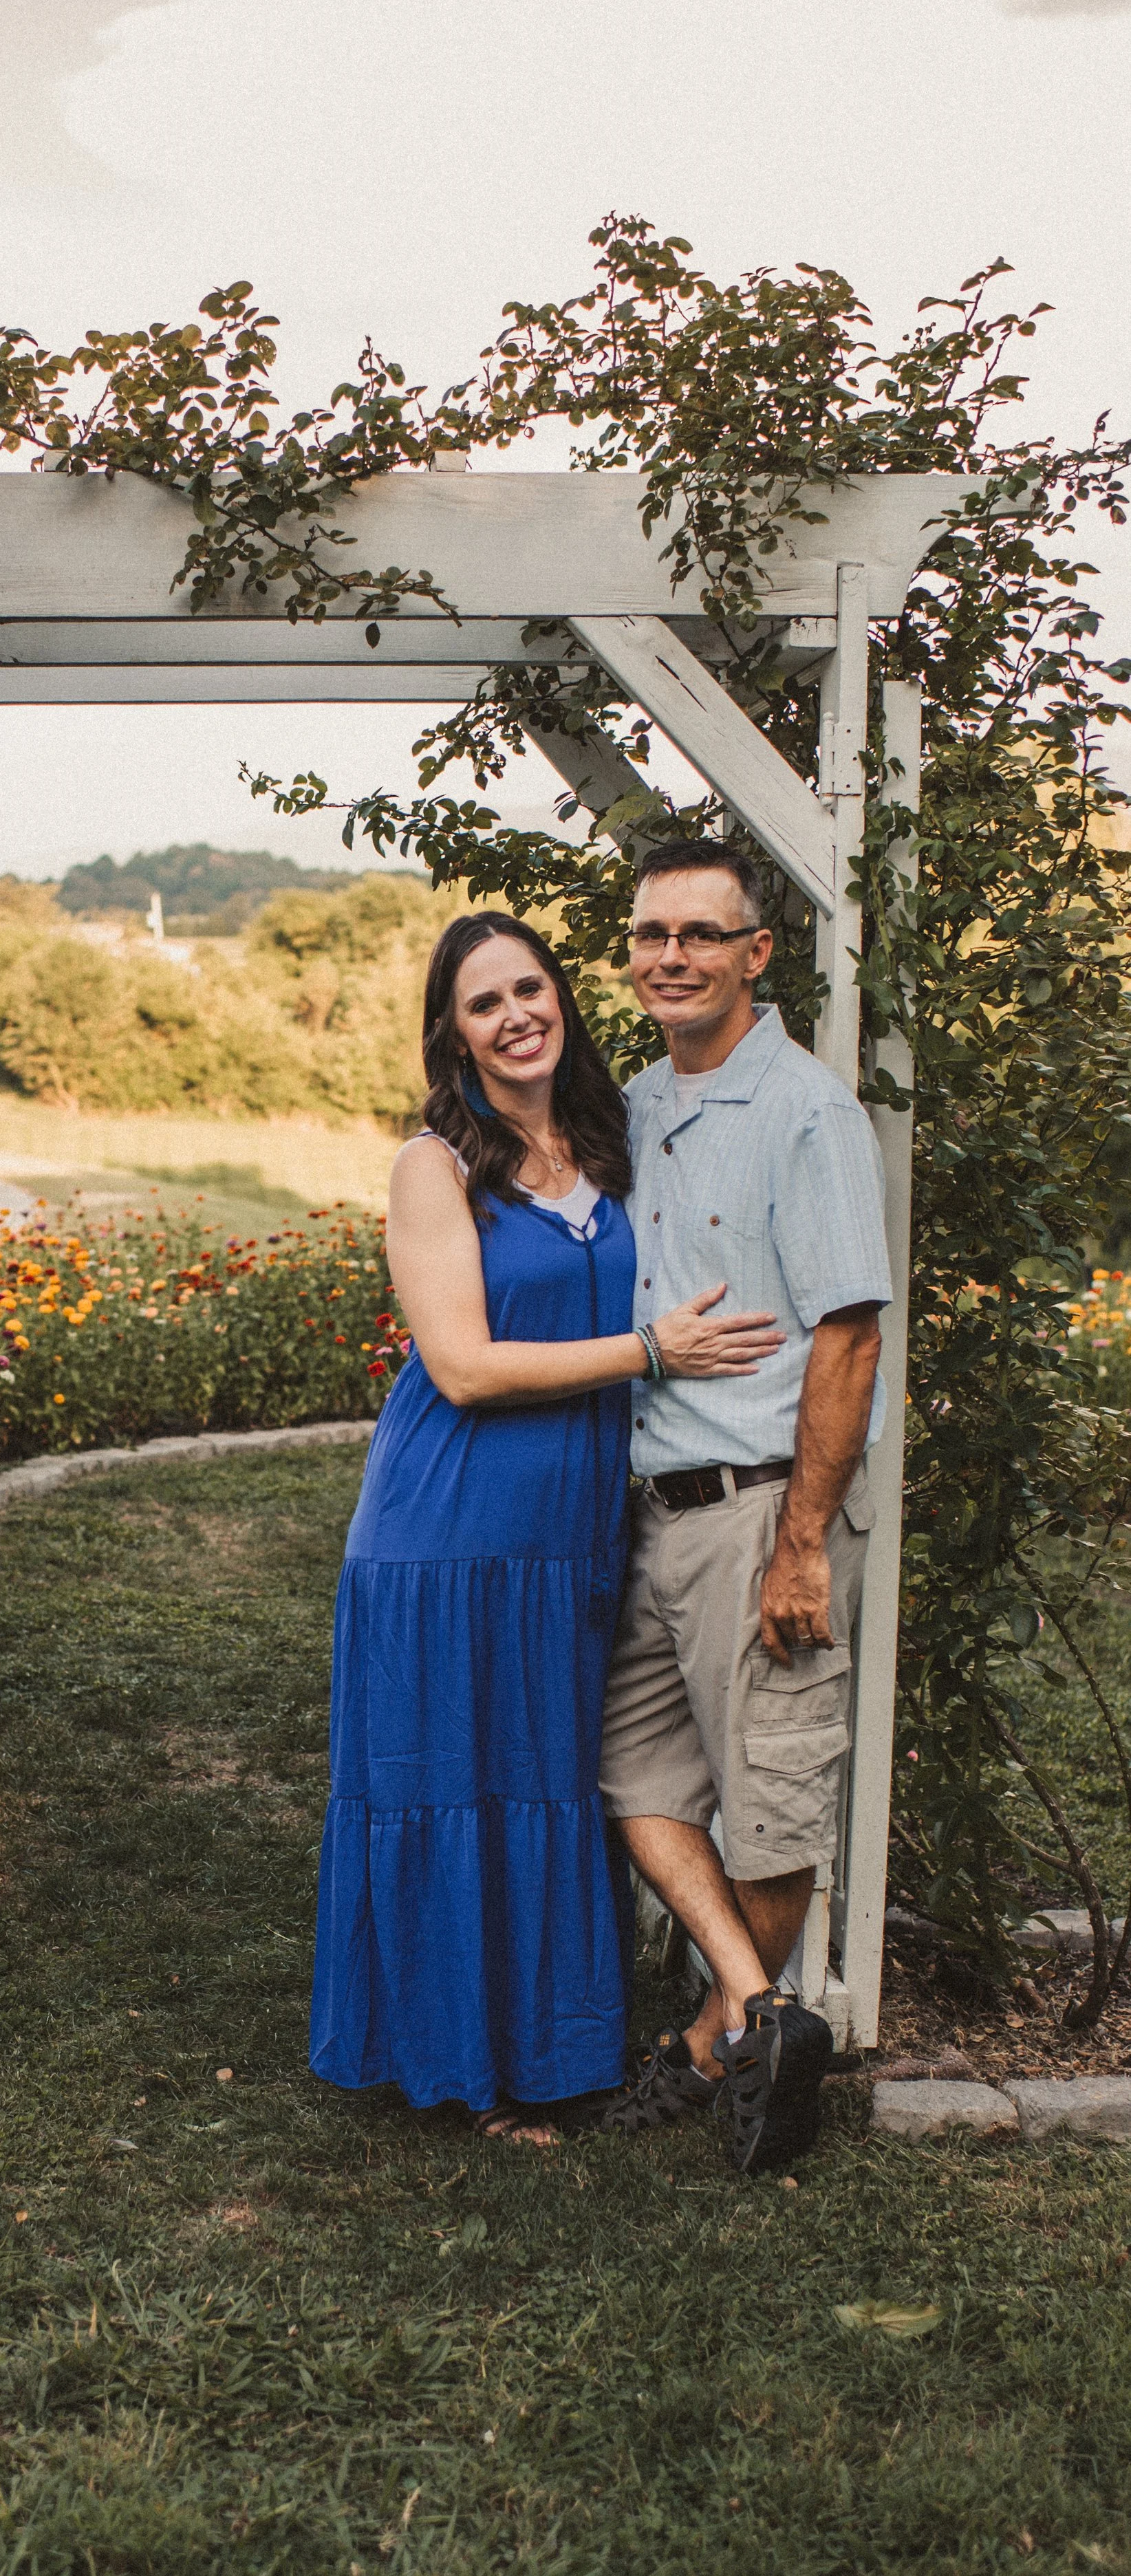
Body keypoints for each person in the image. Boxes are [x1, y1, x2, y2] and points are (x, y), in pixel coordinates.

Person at [310, 912, 784, 2134]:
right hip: (448, 1527)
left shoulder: (612, 1138)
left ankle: (551, 2059)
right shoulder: (437, 1164)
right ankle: (462, 2068)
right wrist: (649, 1352)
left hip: (572, 1530)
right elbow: (461, 1367)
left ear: (562, 999)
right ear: (452, 1032)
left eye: (532, 989)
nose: (516, 1015)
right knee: (455, 1785)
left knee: (544, 1782)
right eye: (484, 1003)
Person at [597, 837, 893, 2175]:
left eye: (700, 936)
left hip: (754, 1513)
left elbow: (846, 1338)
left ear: (754, 955)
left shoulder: (804, 1112)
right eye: (653, 935)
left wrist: (795, 1550)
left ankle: (712, 2050)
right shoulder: (641, 1104)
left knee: (767, 1806)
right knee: (633, 1774)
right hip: (649, 1510)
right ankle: (755, 2020)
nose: (672, 958)